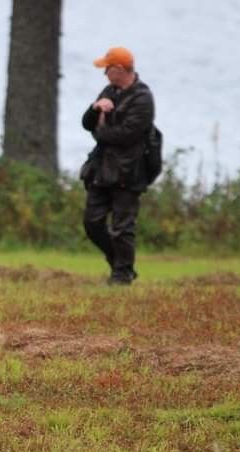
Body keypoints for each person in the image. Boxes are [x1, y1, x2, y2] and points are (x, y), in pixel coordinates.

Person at [80, 46, 155, 286]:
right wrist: (95, 109)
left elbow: (127, 135)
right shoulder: (109, 91)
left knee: (122, 227)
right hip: (102, 169)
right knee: (92, 223)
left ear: (119, 69)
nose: (104, 74)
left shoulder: (143, 98)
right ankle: (119, 262)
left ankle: (121, 277)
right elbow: (86, 124)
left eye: (107, 69)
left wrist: (101, 128)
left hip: (129, 171)